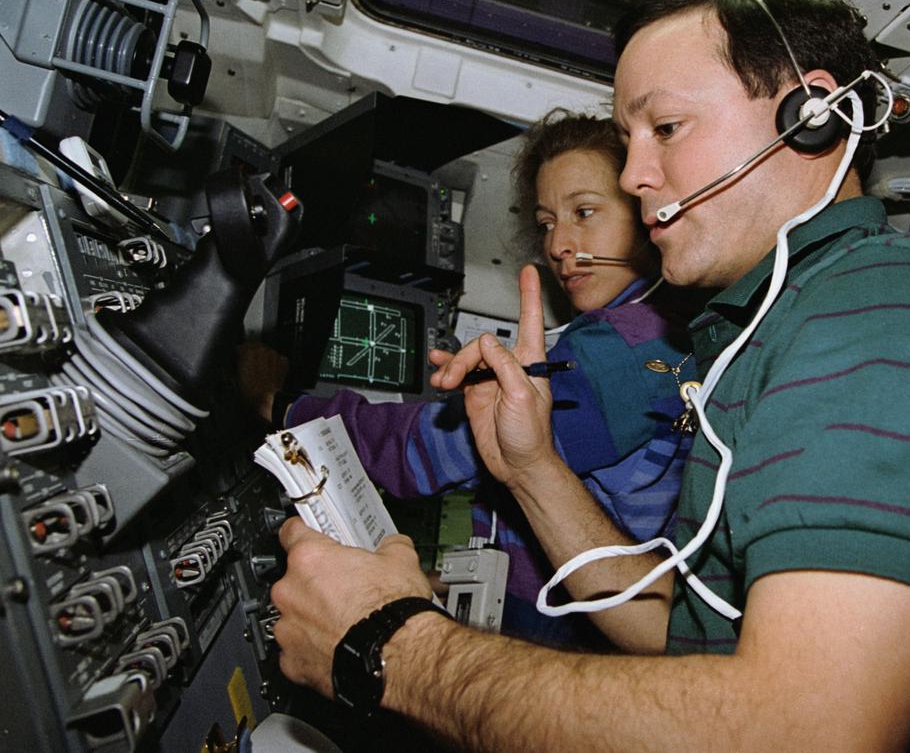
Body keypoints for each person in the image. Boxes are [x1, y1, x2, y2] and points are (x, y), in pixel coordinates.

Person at [270, 0, 910, 750]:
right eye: (626, 142)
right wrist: (531, 470)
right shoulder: (760, 332)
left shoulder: (888, 319)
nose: (633, 175)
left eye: (666, 129)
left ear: (812, 115)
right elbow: (681, 631)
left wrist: (389, 650)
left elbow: (805, 733)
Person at [257, 110, 700, 650]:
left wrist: (281, 405)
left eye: (584, 212)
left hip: (558, 633)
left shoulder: (622, 353)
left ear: (646, 209)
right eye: (546, 222)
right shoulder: (661, 331)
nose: (560, 244)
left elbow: (424, 453)